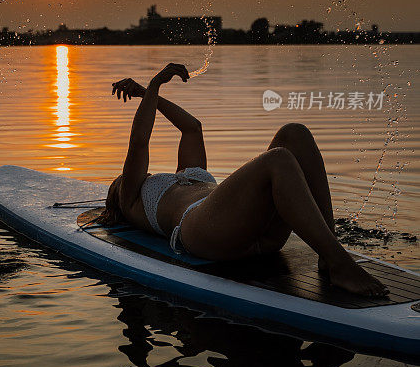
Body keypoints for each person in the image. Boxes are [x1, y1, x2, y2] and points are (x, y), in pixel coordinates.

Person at [102, 62, 388, 298]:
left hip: (250, 231)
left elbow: (191, 128)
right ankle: (341, 264)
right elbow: (139, 142)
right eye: (118, 182)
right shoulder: (131, 200)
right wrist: (154, 83)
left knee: (294, 133)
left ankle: (329, 254)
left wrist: (143, 93)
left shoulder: (184, 176)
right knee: (277, 159)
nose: (121, 179)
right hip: (203, 232)